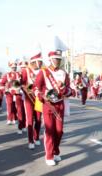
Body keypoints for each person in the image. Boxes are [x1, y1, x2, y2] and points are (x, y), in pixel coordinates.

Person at [33, 36, 72, 166]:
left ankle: (55, 151)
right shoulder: (43, 72)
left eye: (59, 59)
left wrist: (64, 89)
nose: (57, 61)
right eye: (55, 59)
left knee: (59, 131)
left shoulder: (63, 72)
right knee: (49, 130)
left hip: (60, 104)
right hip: (48, 105)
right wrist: (43, 95)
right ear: (50, 59)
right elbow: (34, 88)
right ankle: (49, 155)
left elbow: (70, 90)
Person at [21, 48, 43, 150]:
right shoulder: (26, 70)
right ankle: (30, 140)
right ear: (34, 61)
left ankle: (36, 137)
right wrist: (27, 88)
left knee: (38, 120)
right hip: (29, 99)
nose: (40, 62)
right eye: (39, 60)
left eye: (41, 61)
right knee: (30, 119)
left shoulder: (43, 71)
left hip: (38, 99)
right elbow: (21, 83)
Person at [1, 61, 20, 128]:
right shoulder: (7, 74)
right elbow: (2, 83)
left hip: (17, 92)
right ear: (10, 68)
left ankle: (15, 118)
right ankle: (9, 119)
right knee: (10, 105)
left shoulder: (19, 74)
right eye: (12, 67)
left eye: (15, 67)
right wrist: (5, 89)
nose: (14, 68)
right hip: (9, 93)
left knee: (17, 106)